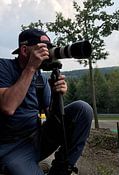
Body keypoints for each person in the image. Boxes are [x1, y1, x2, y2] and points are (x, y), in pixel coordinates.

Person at [0, 28, 93, 175]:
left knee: (83, 109)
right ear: (24, 50)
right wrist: (30, 68)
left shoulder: (41, 79)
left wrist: (57, 95)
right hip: (11, 146)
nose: (47, 53)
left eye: (49, 49)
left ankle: (60, 170)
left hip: (37, 139)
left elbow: (53, 118)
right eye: (42, 49)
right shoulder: (3, 67)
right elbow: (7, 107)